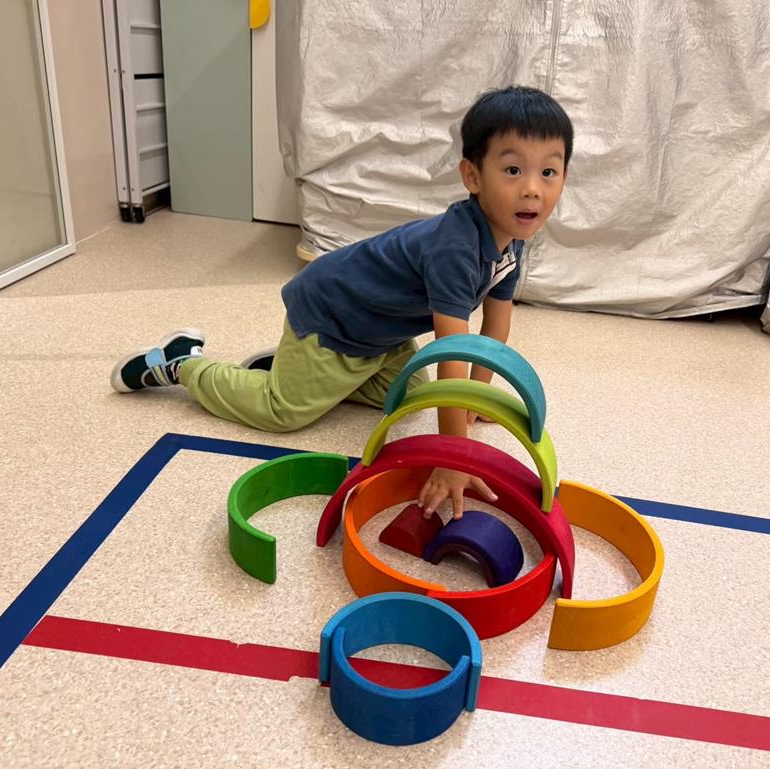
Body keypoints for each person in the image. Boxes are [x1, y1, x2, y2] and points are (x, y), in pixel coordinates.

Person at [111, 85, 573, 519]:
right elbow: (453, 350)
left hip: (382, 334)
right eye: (513, 170)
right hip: (333, 317)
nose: (533, 188)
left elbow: (494, 329)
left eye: (548, 172)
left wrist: (476, 401)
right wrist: (455, 457)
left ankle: (289, 368)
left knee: (410, 398)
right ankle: (181, 364)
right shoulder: (455, 247)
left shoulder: (510, 240)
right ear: (472, 176)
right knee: (284, 413)